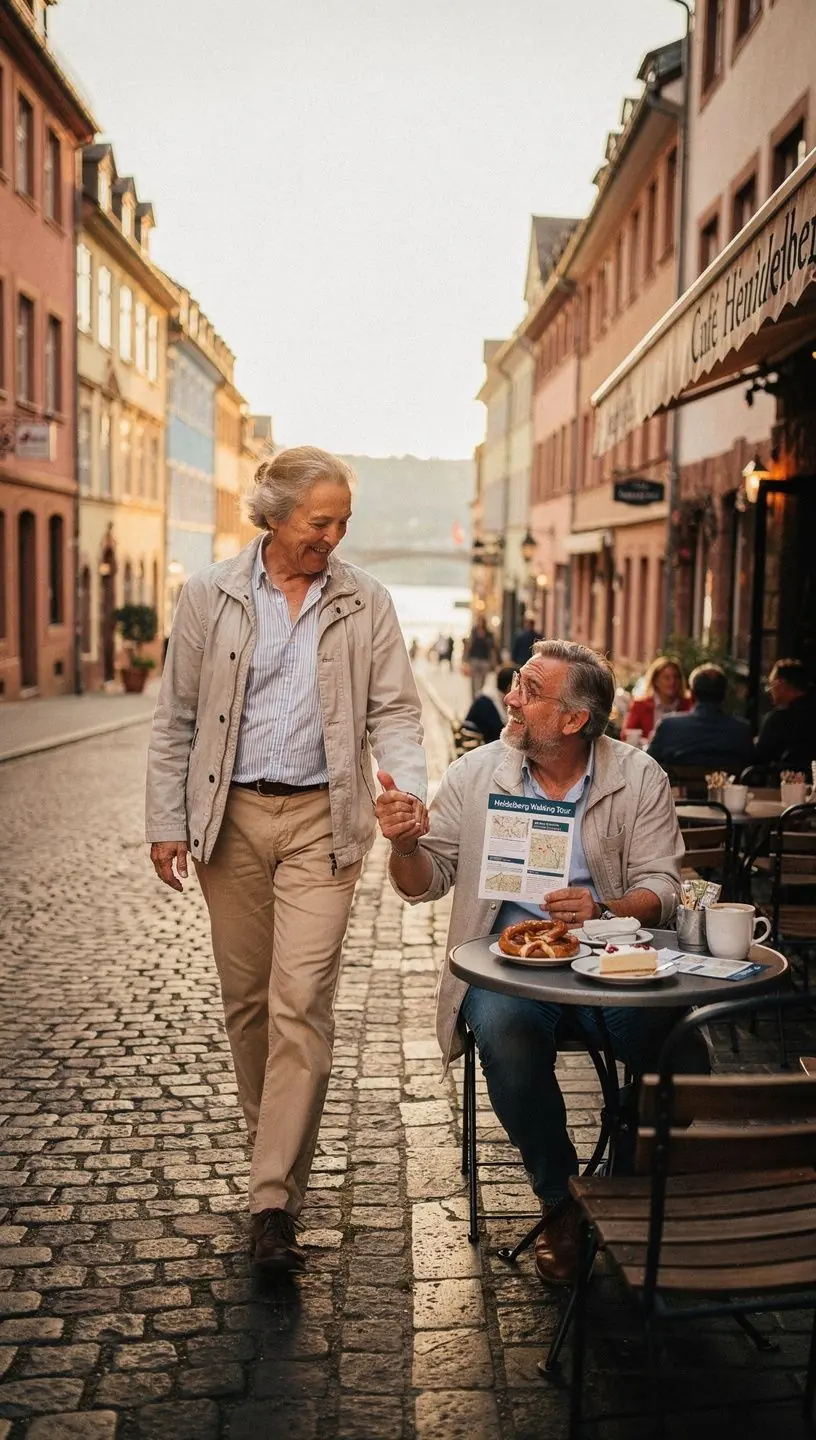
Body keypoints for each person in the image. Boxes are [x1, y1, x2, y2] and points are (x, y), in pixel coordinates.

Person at [146, 446, 428, 1275]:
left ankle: (273, 1198)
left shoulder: (364, 601)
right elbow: (176, 720)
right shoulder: (210, 594)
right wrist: (167, 820)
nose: (333, 538)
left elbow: (397, 712)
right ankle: (274, 1157)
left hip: (323, 820)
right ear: (271, 514)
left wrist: (406, 791)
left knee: (300, 999)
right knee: (248, 1005)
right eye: (319, 522)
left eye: (343, 522)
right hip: (228, 821)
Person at [376, 639, 704, 1288]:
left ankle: (620, 1183)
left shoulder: (639, 777)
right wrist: (406, 843)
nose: (511, 698)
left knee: (686, 1055)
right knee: (505, 1033)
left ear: (574, 720)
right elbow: (424, 881)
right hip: (510, 965)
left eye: (529, 690)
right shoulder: (478, 775)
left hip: (610, 961)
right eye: (517, 683)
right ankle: (559, 1201)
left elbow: (664, 889)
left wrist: (605, 904)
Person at [648, 664, 753, 776]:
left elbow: (649, 764)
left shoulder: (668, 726)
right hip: (726, 792)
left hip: (678, 793)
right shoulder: (742, 730)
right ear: (724, 695)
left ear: (692, 695)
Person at [754, 659, 816, 775]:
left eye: (770, 684)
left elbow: (759, 759)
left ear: (781, 684)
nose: (769, 691)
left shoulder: (778, 720)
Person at [621, 655, 690, 742]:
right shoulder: (640, 705)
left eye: (676, 677)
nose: (672, 682)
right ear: (656, 681)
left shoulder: (688, 705)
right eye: (667, 678)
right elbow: (626, 735)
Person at [459, 665, 517, 747]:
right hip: (478, 747)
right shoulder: (487, 703)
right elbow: (499, 735)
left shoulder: (490, 698)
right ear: (509, 687)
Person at [462, 619, 497, 699]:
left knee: (483, 679)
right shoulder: (473, 633)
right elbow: (468, 646)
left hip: (485, 660)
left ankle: (479, 694)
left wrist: (494, 663)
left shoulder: (489, 634)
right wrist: (464, 659)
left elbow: (492, 649)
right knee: (474, 679)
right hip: (474, 659)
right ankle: (474, 697)